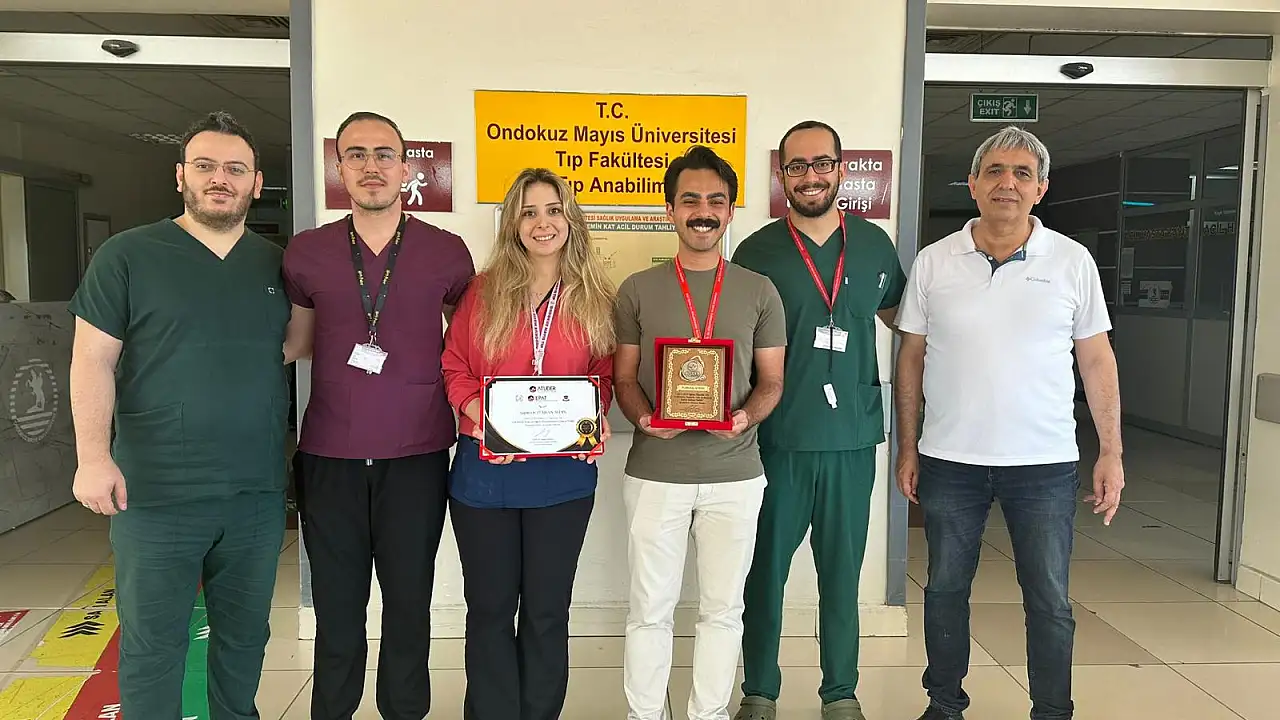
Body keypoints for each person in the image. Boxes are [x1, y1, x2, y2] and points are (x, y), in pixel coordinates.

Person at [68, 110, 305, 719]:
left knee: (246, 638)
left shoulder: (277, 264)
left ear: (257, 183)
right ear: (180, 176)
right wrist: (92, 458)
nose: (219, 178)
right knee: (154, 643)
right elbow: (92, 360)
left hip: (254, 493)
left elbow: (291, 346)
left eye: (235, 168)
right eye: (205, 166)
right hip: (155, 493)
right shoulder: (128, 255)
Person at [894, 126, 1124, 720]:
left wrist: (1111, 451)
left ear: (1041, 189)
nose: (1008, 183)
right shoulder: (934, 261)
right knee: (945, 589)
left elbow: (1096, 358)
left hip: (1043, 464)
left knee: (1048, 598)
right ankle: (944, 704)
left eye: (1023, 173)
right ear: (972, 183)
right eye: (995, 170)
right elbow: (911, 357)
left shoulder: (1072, 262)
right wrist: (908, 447)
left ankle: (1052, 710)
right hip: (950, 460)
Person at [283, 111, 475, 720]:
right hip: (329, 456)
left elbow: (468, 344)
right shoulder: (307, 252)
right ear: (339, 167)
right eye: (357, 154)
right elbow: (298, 343)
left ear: (405, 166)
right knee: (337, 610)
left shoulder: (446, 252)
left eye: (384, 154)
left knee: (409, 607)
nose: (372, 166)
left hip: (417, 455)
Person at [730, 120, 906, 720]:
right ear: (782, 175)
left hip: (852, 438)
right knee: (764, 574)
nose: (811, 176)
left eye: (822, 163)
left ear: (841, 168)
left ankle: (841, 693)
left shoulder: (875, 245)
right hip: (777, 438)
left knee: (842, 573)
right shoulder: (757, 252)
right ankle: (759, 690)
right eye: (797, 165)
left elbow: (903, 320)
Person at [613, 145, 787, 720]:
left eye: (716, 201)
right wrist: (644, 418)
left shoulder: (759, 290)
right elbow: (623, 378)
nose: (703, 211)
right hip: (655, 473)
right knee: (649, 610)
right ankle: (644, 715)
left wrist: (744, 417)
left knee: (723, 610)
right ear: (670, 210)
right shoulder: (637, 288)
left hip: (735, 475)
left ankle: (708, 714)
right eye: (690, 200)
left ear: (731, 211)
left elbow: (771, 382)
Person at [441, 167, 617, 720]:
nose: (543, 223)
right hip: (485, 475)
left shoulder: (595, 297)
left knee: (546, 612)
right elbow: (454, 366)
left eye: (553, 210)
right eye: (529, 212)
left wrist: (595, 417)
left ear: (571, 219)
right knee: (489, 610)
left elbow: (603, 375)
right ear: (513, 224)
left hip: (562, 479)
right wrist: (483, 414)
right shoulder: (483, 291)